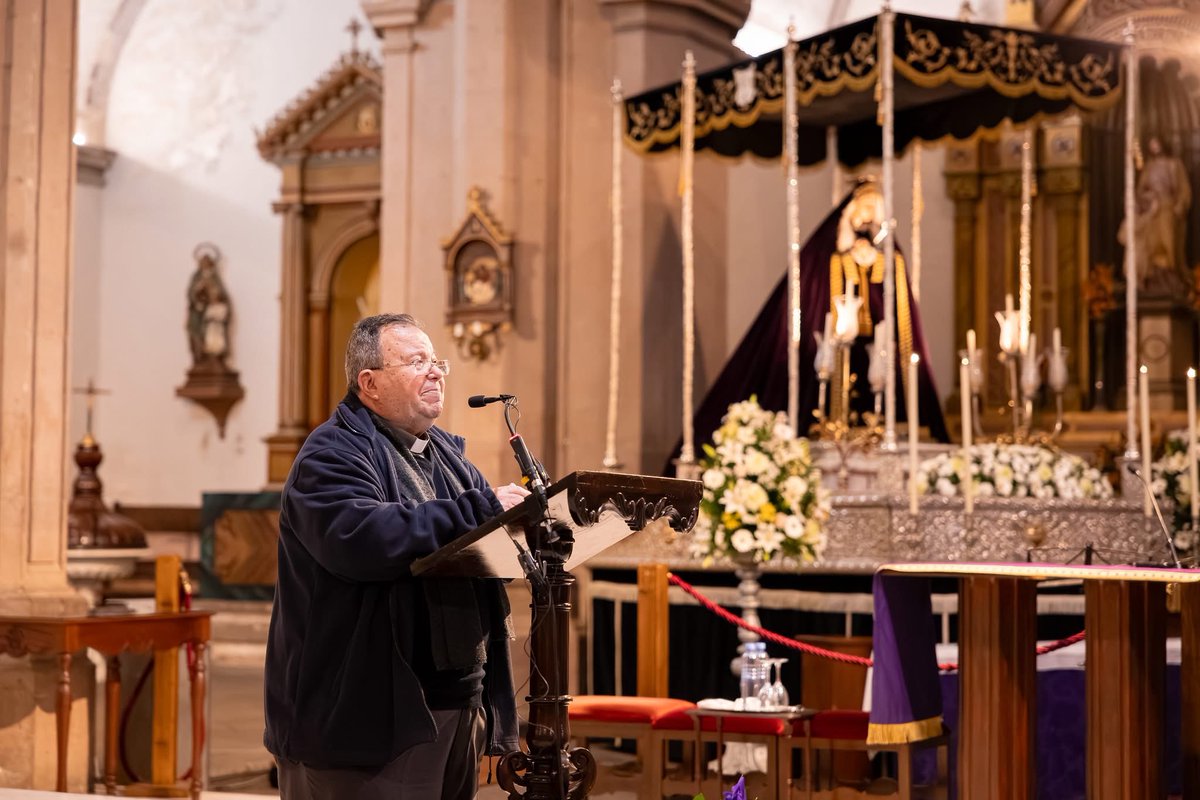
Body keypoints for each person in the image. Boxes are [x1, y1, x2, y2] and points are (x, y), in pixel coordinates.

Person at [264, 313, 529, 800]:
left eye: (437, 361)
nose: (437, 372)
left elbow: (477, 542)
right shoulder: (332, 453)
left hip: (455, 702)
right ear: (369, 383)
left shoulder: (447, 457)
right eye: (416, 361)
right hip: (365, 716)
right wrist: (483, 507)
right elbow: (361, 538)